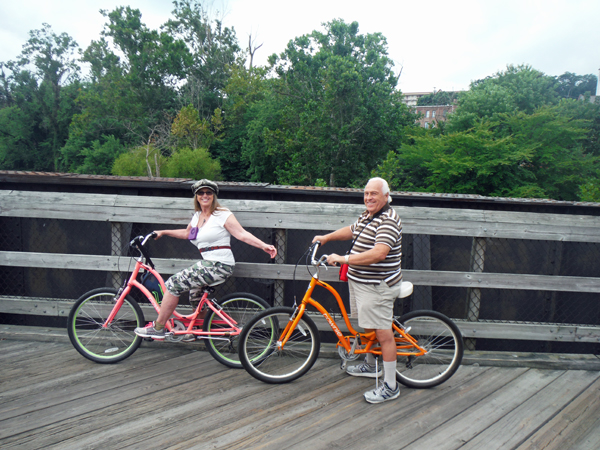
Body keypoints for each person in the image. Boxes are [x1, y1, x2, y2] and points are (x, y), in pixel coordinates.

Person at [135, 179, 277, 340]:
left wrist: (264, 245)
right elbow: (188, 234)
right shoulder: (197, 217)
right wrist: (163, 232)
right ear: (196, 197)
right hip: (209, 264)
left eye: (208, 192)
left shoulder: (221, 214)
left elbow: (241, 234)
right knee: (195, 296)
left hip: (219, 264)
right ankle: (198, 331)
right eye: (201, 193)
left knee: (173, 284)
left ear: (214, 196)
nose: (205, 195)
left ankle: (158, 327)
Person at [313, 177, 402, 404]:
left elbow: (379, 254)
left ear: (386, 196)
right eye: (366, 193)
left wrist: (343, 259)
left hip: (377, 286)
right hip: (360, 283)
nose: (369, 197)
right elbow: (353, 231)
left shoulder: (389, 220)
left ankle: (391, 386)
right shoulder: (368, 215)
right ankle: (371, 366)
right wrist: (327, 237)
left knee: (383, 334)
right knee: (367, 326)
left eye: (374, 194)